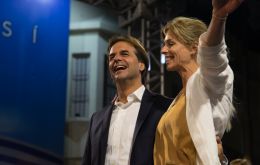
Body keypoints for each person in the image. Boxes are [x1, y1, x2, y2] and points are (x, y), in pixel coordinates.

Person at [153, 0, 243, 164]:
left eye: (170, 44)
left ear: (194, 47)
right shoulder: (177, 100)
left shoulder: (210, 82)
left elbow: (213, 55)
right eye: (164, 44)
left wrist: (218, 17)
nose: (163, 50)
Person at [81, 35, 173, 165]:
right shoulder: (96, 119)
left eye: (124, 54)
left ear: (141, 65)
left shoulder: (164, 108)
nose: (117, 59)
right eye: (111, 57)